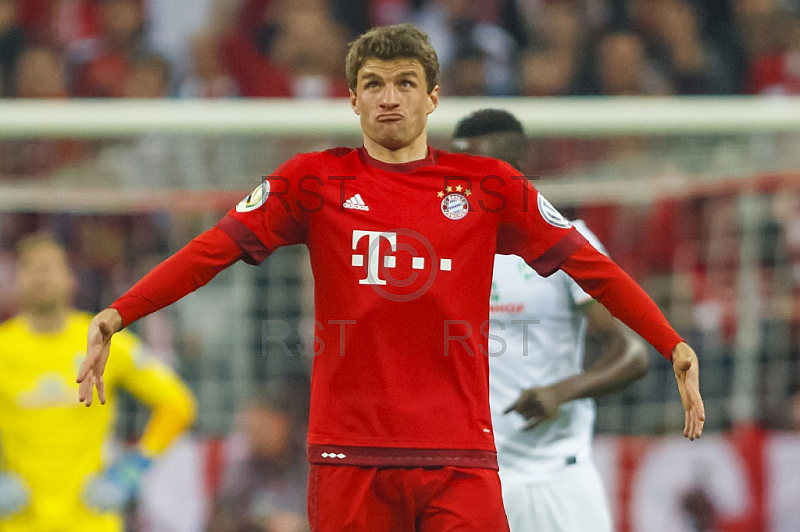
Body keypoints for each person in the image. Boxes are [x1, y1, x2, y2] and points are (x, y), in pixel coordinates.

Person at [77, 23, 705, 532]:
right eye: (373, 84)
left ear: (432, 98)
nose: (389, 97)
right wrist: (118, 313)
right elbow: (211, 249)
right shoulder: (313, 180)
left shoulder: (487, 187)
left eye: (406, 83)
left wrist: (670, 341)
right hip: (350, 457)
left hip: (460, 457)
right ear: (352, 98)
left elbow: (590, 267)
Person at [452, 108, 649, 532]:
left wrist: (560, 391)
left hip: (559, 475)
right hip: (474, 476)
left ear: (517, 172)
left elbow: (632, 354)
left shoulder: (565, 242)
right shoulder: (441, 253)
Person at [0, 233, 196, 532]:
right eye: (31, 267)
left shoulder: (103, 339)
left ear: (71, 279)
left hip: (91, 521)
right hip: (19, 522)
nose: (41, 275)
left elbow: (177, 404)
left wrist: (134, 468)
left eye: (50, 266)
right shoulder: (4, 348)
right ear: (15, 281)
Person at [208, 383, 310, 532]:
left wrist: (301, 526)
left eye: (258, 427)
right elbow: (221, 519)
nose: (251, 436)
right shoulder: (242, 469)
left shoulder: (307, 462)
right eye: (248, 429)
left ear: (280, 422)